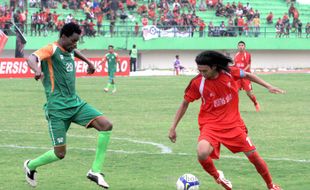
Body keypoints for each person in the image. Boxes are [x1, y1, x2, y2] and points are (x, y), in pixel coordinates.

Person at [168, 50, 284, 190]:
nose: (202, 73)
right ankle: (218, 177)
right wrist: (173, 127)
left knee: (253, 156)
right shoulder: (198, 82)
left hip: (233, 124)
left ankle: (271, 185)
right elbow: (184, 103)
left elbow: (247, 75)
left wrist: (268, 86)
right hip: (210, 124)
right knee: (202, 153)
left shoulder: (229, 73)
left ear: (214, 66)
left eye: (204, 70)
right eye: (199, 70)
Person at [24, 22, 113, 189]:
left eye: (77, 41)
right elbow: (32, 57)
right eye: (73, 40)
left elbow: (75, 51)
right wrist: (37, 70)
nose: (75, 44)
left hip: (76, 103)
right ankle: (30, 165)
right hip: (57, 109)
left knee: (106, 125)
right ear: (63, 37)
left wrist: (89, 62)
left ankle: (95, 171)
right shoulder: (51, 49)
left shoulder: (70, 48)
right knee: (60, 154)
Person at [234, 41, 260, 112]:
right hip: (238, 77)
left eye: (242, 45)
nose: (241, 46)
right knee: (235, 92)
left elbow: (248, 65)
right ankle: (234, 108)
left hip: (246, 76)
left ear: (244, 47)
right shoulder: (236, 55)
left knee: (249, 93)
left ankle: (255, 103)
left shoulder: (247, 55)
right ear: (237, 46)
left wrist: (243, 71)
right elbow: (235, 65)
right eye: (239, 45)